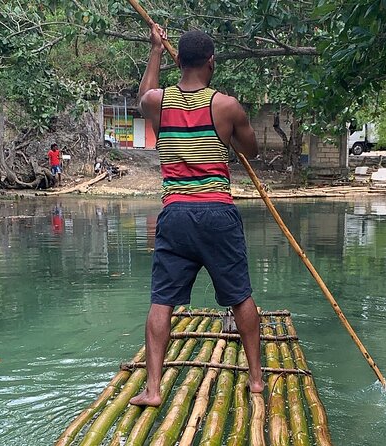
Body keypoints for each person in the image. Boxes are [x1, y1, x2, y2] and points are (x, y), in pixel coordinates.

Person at [128, 24, 264, 407]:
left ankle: (153, 390)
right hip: (218, 210)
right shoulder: (226, 106)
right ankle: (255, 380)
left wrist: (155, 49)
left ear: (178, 60)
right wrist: (230, 132)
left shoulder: (158, 102)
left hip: (175, 214)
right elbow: (250, 150)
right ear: (211, 61)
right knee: (240, 297)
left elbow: (144, 96)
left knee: (161, 301)